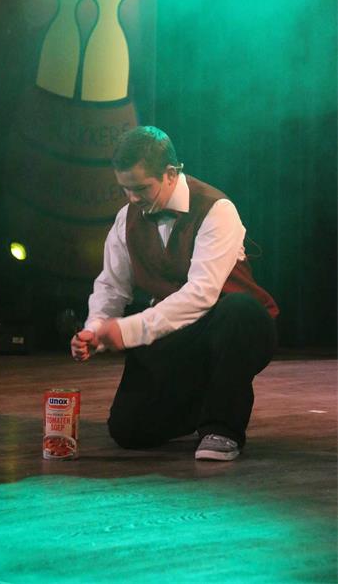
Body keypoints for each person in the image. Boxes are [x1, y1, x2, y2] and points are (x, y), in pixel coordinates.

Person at [71, 126, 278, 461]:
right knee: (128, 431)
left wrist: (127, 330)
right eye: (125, 189)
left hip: (229, 330)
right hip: (176, 333)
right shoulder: (127, 218)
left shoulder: (216, 208)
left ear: (170, 174)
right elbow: (111, 285)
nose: (132, 198)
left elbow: (201, 294)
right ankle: (201, 404)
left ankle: (222, 428)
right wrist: (95, 329)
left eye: (141, 188)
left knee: (240, 309)